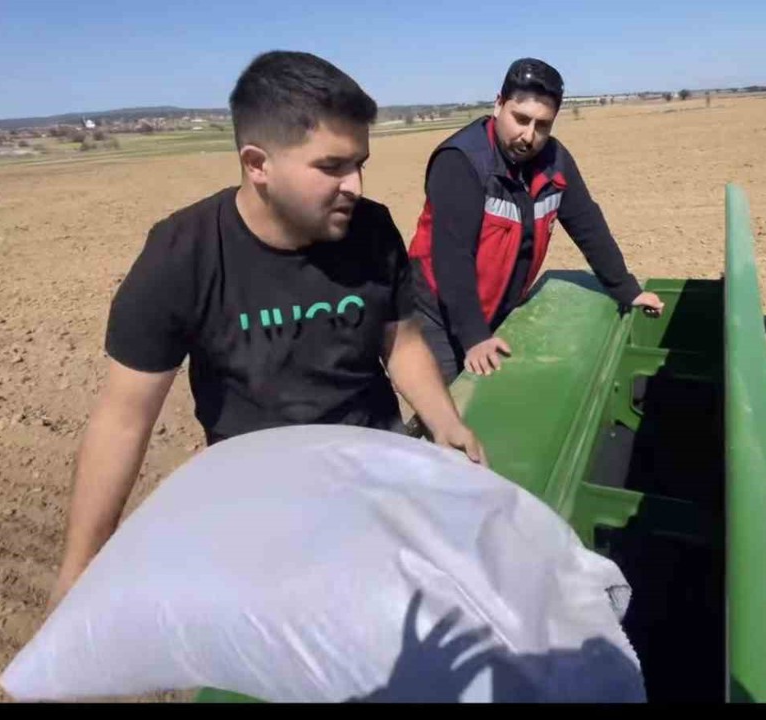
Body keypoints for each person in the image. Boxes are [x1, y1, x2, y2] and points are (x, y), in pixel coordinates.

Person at [48, 51, 484, 608]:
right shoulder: (182, 255)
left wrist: (445, 423)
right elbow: (123, 420)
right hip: (257, 507)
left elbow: (400, 340)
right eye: (332, 166)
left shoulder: (372, 229)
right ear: (258, 164)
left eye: (360, 163)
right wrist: (80, 567)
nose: (354, 185)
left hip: (375, 474)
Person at [406, 58, 664, 383]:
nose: (528, 136)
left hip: (497, 308)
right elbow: (452, 258)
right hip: (435, 315)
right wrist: (474, 337)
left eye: (542, 125)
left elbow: (588, 225)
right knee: (448, 402)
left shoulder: (555, 161)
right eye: (521, 119)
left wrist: (626, 289)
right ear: (498, 104)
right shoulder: (461, 162)